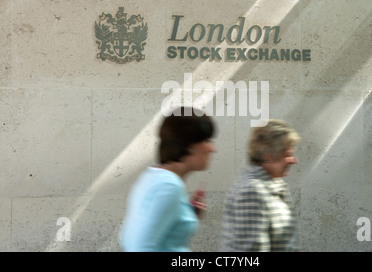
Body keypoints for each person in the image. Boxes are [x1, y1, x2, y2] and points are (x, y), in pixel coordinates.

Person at [119, 106, 216, 252]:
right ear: (190, 145)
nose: (212, 148)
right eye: (206, 140)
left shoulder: (152, 177)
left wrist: (184, 213)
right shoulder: (169, 187)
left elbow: (127, 237)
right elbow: (140, 248)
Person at [221, 119, 301, 252]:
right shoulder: (251, 191)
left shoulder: (273, 183)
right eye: (287, 155)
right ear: (268, 156)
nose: (294, 160)